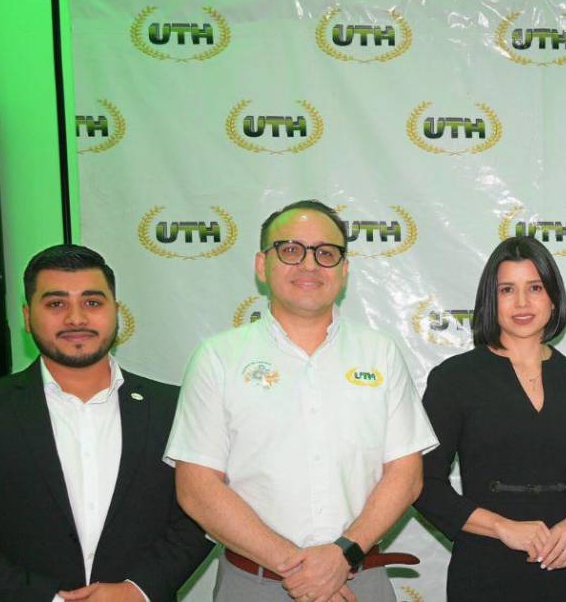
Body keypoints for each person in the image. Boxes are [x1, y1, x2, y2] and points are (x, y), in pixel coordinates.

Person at [165, 200, 438, 602]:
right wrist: (303, 569)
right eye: (291, 250)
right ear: (262, 265)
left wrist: (342, 555)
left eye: (326, 253)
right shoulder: (218, 358)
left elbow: (406, 474)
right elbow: (197, 487)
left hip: (360, 581)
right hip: (254, 585)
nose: (309, 265)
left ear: (344, 270)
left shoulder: (379, 353)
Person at [0, 244, 212, 601]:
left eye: (92, 302)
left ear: (116, 313)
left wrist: (138, 590)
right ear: (27, 317)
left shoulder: (175, 407)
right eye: (56, 304)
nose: (76, 319)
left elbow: (203, 512)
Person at [414, 236, 566, 601]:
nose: (522, 302)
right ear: (491, 301)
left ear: (553, 298)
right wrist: (502, 527)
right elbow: (422, 483)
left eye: (535, 288)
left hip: (565, 567)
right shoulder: (455, 379)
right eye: (507, 289)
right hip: (484, 565)